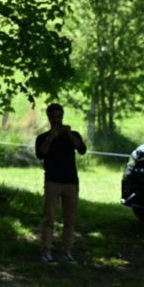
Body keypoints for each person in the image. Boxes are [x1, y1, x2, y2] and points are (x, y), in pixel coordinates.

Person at [35, 103, 87, 264]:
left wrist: (69, 134)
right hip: (52, 182)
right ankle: (46, 252)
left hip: (71, 182)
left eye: (59, 116)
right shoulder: (43, 137)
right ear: (49, 118)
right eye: (53, 117)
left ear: (62, 116)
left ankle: (66, 252)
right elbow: (40, 154)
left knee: (69, 220)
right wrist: (52, 137)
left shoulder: (73, 134)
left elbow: (82, 150)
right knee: (49, 218)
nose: (56, 120)